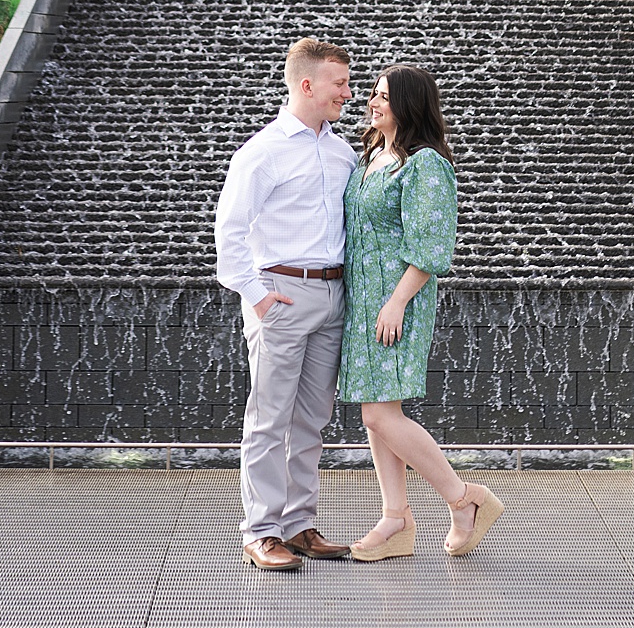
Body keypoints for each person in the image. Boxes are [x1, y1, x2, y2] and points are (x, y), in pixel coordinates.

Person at [340, 64, 504, 561]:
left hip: (398, 302)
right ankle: (396, 521)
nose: (372, 101)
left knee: (379, 412)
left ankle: (463, 499)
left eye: (384, 96)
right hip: (364, 302)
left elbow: (432, 248)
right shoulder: (371, 156)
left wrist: (396, 302)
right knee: (377, 416)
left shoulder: (425, 164)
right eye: (372, 92)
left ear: (409, 105)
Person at [214, 37, 357, 571]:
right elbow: (229, 230)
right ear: (307, 85)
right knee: (269, 419)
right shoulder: (262, 151)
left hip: (332, 294)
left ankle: (298, 525)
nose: (348, 92)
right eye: (339, 83)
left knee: (312, 419)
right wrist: (256, 296)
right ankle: (260, 531)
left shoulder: (342, 151)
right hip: (282, 294)